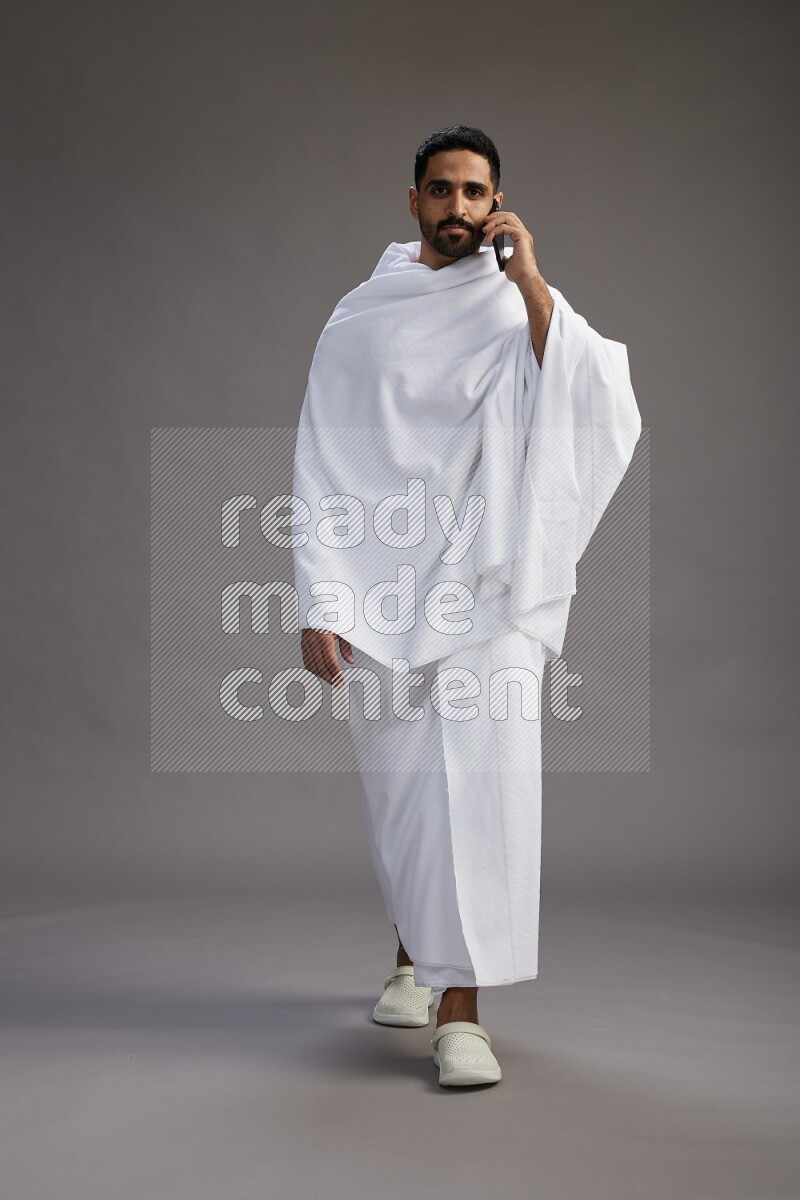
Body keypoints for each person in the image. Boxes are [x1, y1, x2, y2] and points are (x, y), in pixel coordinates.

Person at [292, 125, 642, 1086]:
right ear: (412, 200)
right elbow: (321, 459)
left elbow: (594, 398)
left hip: (489, 587)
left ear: (499, 202)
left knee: (482, 792)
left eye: (476, 193)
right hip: (380, 584)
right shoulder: (362, 317)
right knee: (403, 795)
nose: (458, 209)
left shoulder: (520, 305)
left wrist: (530, 279)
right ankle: (412, 955)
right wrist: (322, 596)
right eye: (441, 191)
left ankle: (464, 1014)